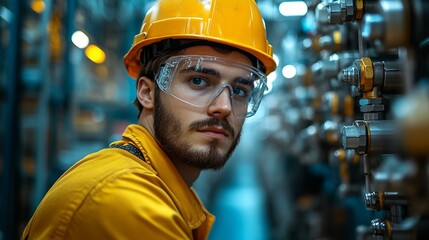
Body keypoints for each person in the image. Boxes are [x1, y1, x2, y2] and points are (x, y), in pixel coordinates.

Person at [21, 0, 276, 239]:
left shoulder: (160, 189)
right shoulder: (123, 201)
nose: (224, 107)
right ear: (147, 92)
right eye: (198, 81)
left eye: (240, 90)